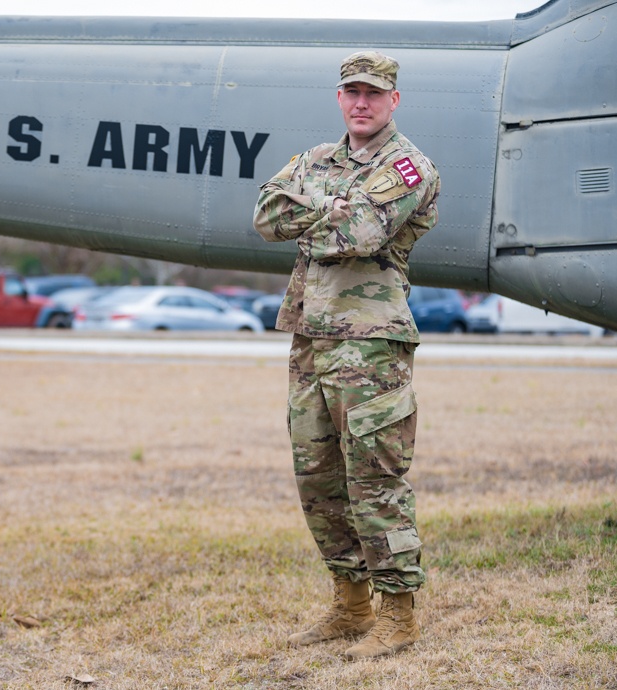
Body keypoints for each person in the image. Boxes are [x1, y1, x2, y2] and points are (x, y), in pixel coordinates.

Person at [252, 51, 441, 661]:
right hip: (311, 338)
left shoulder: (409, 166)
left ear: (393, 101)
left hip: (371, 344)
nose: (361, 102)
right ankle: (350, 603)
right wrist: (329, 208)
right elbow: (263, 216)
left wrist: (316, 213)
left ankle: (398, 613)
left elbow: (361, 235)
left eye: (374, 93)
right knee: (318, 479)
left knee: (374, 478)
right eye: (351, 91)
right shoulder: (314, 160)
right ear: (339, 98)